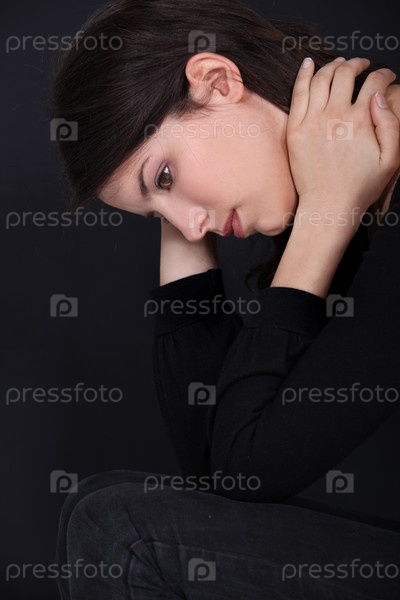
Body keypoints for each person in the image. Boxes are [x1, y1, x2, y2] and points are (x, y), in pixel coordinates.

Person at [52, 0, 400, 597]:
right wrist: (173, 209)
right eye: (154, 216)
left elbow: (247, 468)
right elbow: (212, 471)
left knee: (121, 527)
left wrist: (326, 210)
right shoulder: (357, 214)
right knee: (102, 500)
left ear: (218, 81)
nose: (189, 228)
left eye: (163, 177)